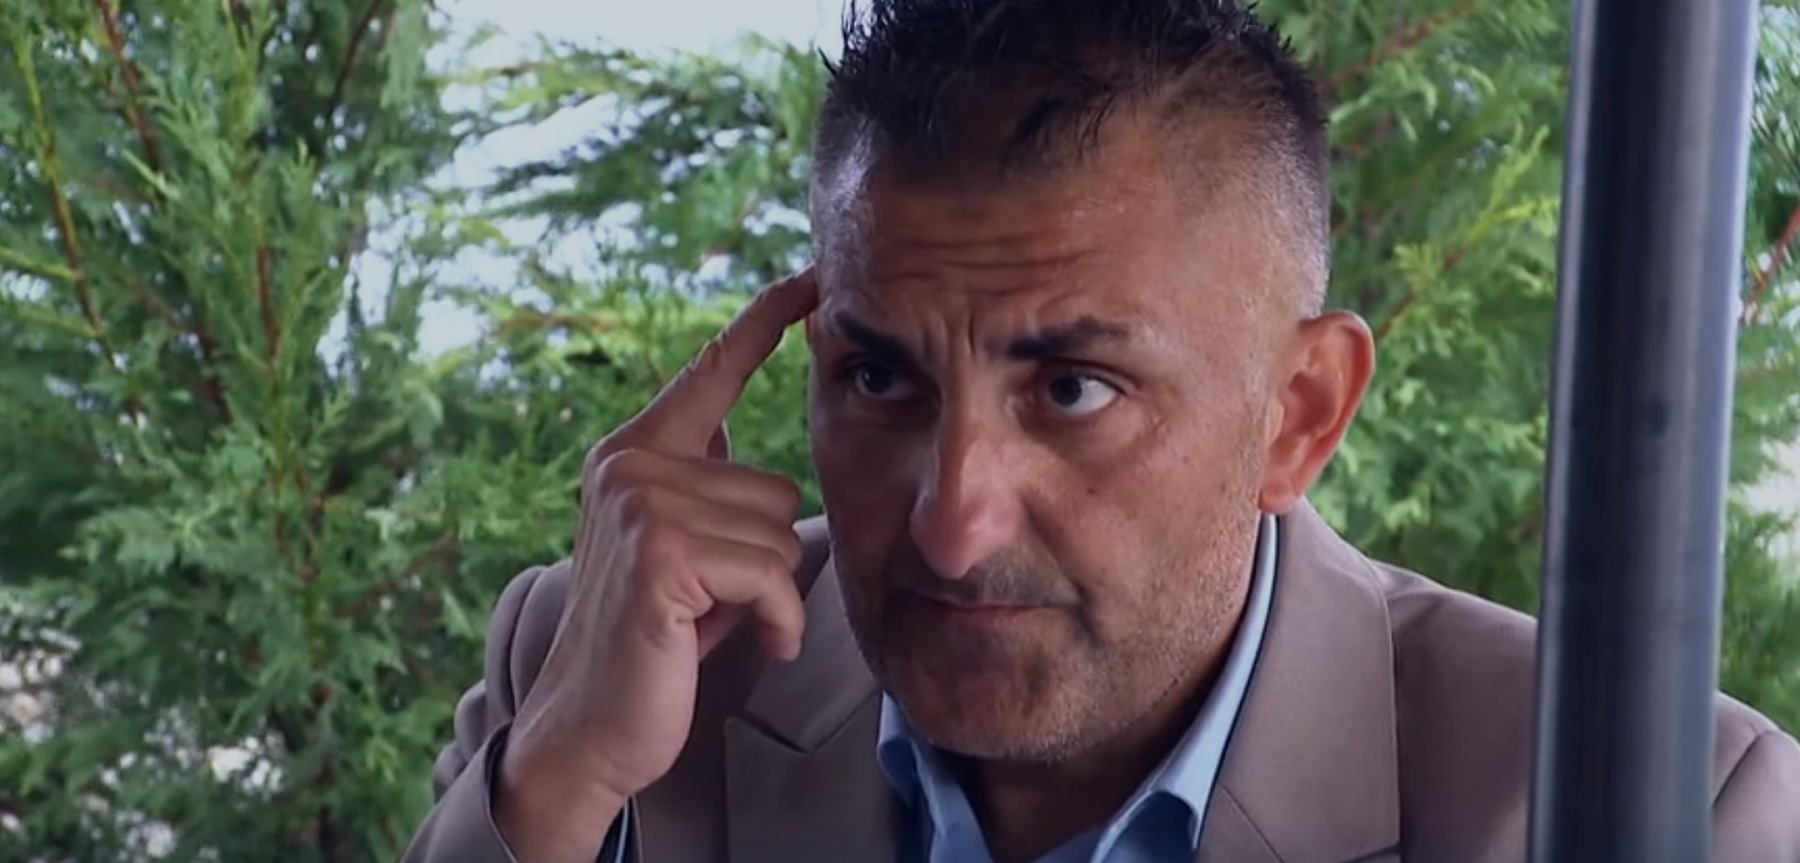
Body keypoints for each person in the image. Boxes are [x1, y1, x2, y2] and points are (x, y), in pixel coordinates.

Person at [400, 0, 1800, 861]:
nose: (953, 522)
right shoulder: (599, 679)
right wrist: (556, 781)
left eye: (1072, 389)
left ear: (1300, 415)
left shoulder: (1655, 813)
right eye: (881, 379)